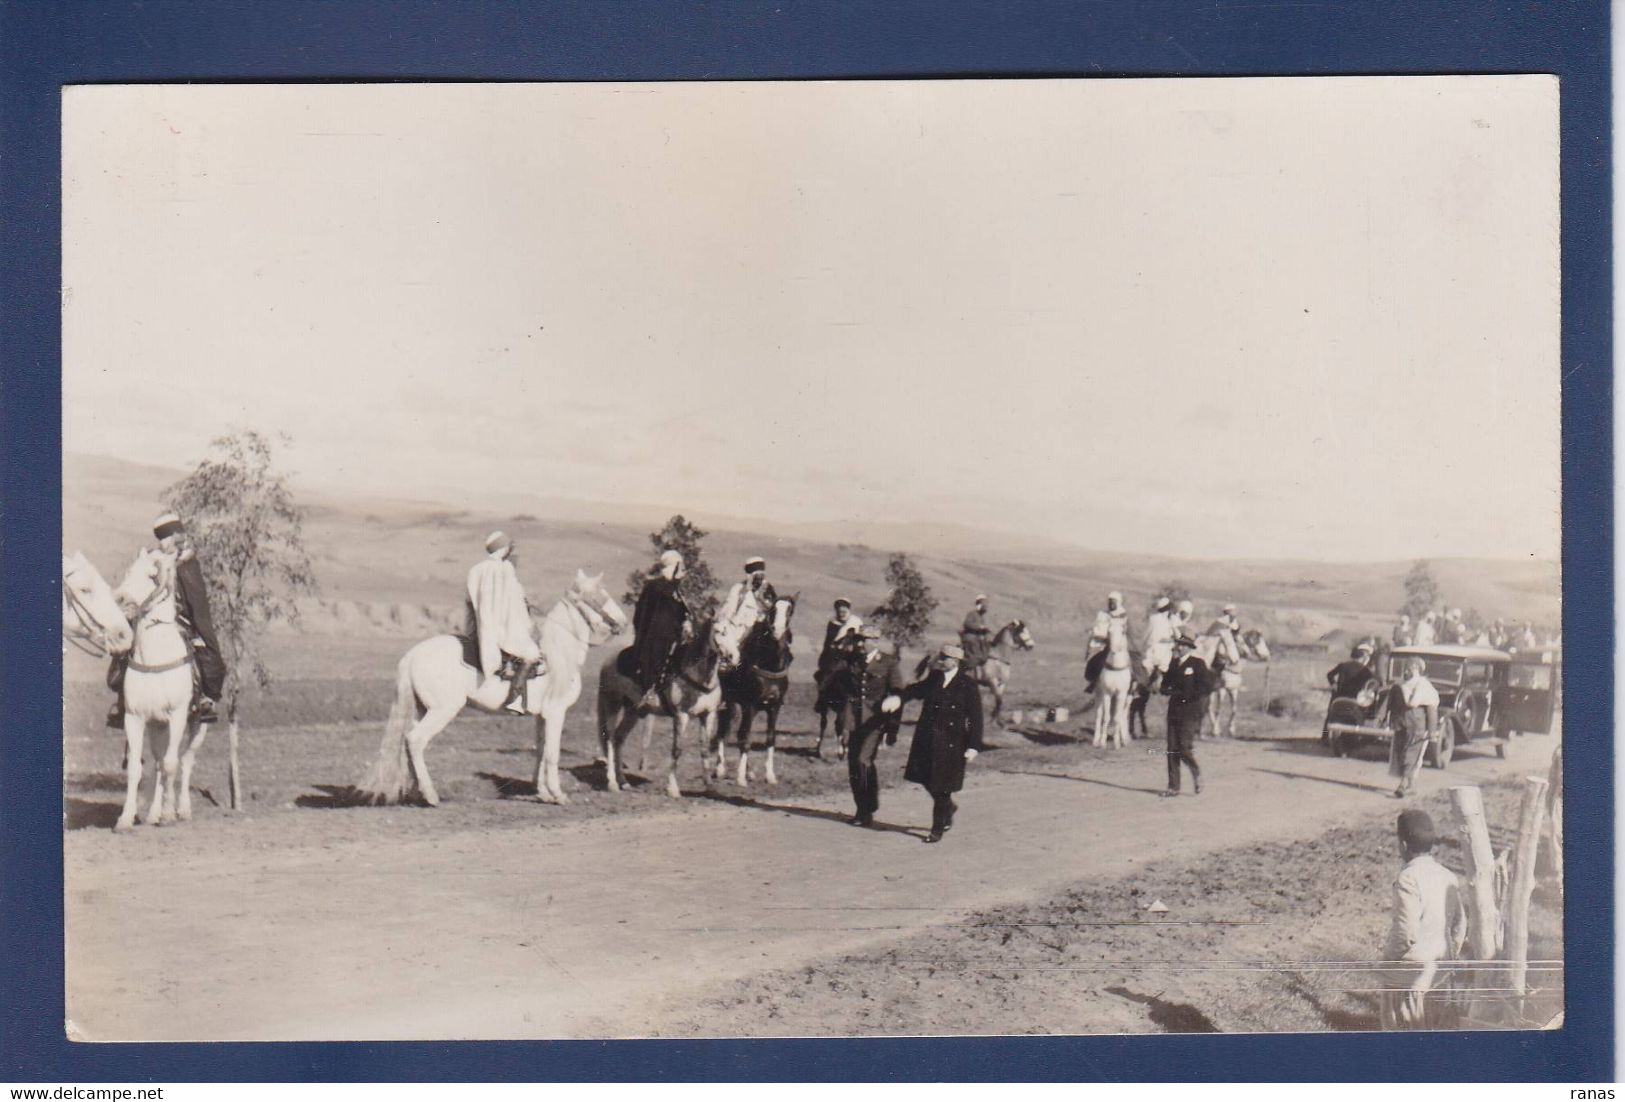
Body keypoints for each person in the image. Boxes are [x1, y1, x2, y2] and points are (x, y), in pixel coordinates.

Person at [107, 513, 227, 728]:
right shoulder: (151, 559)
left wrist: (193, 620)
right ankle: (123, 701)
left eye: (168, 536)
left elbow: (195, 600)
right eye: (161, 537)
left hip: (181, 618)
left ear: (177, 536)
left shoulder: (187, 564)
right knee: (126, 648)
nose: (164, 542)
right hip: (147, 614)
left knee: (203, 645)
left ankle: (205, 697)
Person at [883, 642, 983, 843]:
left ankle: (937, 829)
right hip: (927, 738)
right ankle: (948, 807)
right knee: (925, 778)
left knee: (942, 786)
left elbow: (975, 717)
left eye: (944, 658)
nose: (940, 661)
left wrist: (973, 745)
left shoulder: (968, 685)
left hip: (953, 743)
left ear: (954, 661)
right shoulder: (935, 677)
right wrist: (899, 699)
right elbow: (915, 690)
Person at [1380, 810, 1467, 1030]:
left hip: (1409, 978)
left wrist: (1388, 962)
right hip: (1438, 973)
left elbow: (1406, 932)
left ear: (1403, 845)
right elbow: (1460, 925)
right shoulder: (1447, 876)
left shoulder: (1408, 878)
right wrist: (1449, 954)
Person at [466, 531, 543, 715]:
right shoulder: (504, 569)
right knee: (532, 653)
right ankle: (515, 699)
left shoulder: (476, 570)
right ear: (503, 548)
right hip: (505, 626)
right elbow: (513, 602)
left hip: (485, 627)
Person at [847, 624, 909, 827]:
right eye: (859, 640)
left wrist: (892, 728)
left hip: (875, 721)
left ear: (874, 641)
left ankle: (866, 810)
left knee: (863, 761)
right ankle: (863, 806)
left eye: (864, 640)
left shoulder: (889, 663)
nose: (860, 644)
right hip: (854, 720)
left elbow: (897, 693)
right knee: (854, 764)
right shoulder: (853, 661)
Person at [629, 549, 692, 710]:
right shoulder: (656, 586)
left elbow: (680, 610)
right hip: (656, 636)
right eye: (679, 566)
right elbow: (646, 613)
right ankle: (649, 692)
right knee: (656, 654)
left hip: (675, 634)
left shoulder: (675, 589)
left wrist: (686, 622)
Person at [1160, 630, 1211, 796]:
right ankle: (1173, 787)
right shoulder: (1173, 663)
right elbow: (1164, 685)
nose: (1179, 647)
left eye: (1183, 645)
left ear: (1189, 648)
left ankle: (1196, 773)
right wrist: (1166, 690)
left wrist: (1187, 695)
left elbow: (1206, 687)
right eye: (1178, 644)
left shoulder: (1198, 664)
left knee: (1184, 748)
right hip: (1174, 711)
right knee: (1172, 749)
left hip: (1190, 713)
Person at [1389, 657, 1440, 798]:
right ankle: (1411, 786)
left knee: (1411, 753)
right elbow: (1391, 703)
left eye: (1411, 667)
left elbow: (1431, 709)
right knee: (1401, 753)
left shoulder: (1424, 686)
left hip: (1417, 725)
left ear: (1418, 669)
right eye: (1406, 666)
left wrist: (1432, 730)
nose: (1407, 670)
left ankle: (1403, 784)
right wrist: (1387, 719)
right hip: (1401, 723)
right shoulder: (1399, 684)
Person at [718, 557, 778, 656]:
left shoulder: (768, 591)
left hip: (759, 632)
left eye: (761, 577)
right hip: (738, 631)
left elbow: (773, 611)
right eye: (756, 577)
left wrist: (761, 599)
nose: (759, 580)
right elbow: (727, 612)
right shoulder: (738, 590)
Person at [1323, 640, 1380, 742]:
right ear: (1361, 658)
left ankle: (1325, 738)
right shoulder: (1365, 670)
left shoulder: (1343, 665)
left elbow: (1329, 675)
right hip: (1354, 697)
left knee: (1330, 716)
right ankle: (1355, 737)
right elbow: (1374, 681)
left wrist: (1333, 684)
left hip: (1339, 695)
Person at [1085, 591, 1129, 692]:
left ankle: (1135, 684)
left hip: (1119, 642)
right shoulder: (1102, 614)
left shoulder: (1122, 614)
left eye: (1113, 602)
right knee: (1097, 661)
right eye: (1109, 602)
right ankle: (1094, 681)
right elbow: (1097, 629)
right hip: (1104, 643)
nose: (1111, 604)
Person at [1144, 596, 1177, 694]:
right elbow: (1155, 637)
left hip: (1161, 649)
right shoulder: (1156, 619)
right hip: (1157, 650)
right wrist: (1170, 640)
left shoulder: (1169, 620)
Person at [960, 595, 992, 668]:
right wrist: (979, 627)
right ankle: (968, 668)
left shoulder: (981, 617)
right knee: (974, 651)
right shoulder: (972, 614)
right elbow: (967, 624)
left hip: (979, 638)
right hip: (970, 637)